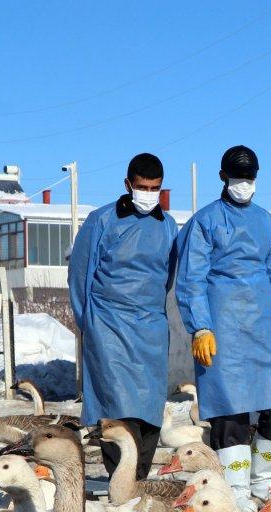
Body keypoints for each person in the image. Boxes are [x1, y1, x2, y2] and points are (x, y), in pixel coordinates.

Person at [175, 145, 271, 512]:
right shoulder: (204, 222)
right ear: (222, 177)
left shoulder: (265, 221)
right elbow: (191, 279)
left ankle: (263, 479)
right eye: (237, 178)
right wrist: (200, 327)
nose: (243, 185)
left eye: (249, 179)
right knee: (229, 409)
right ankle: (233, 487)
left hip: (267, 325)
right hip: (222, 324)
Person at [69, 152, 178, 479]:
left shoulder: (168, 226)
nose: (148, 194)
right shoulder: (101, 221)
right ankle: (120, 479)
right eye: (142, 186)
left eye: (155, 188)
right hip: (108, 327)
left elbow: (167, 278)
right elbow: (79, 275)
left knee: (148, 411)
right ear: (128, 184)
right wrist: (88, 324)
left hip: (150, 329)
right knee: (117, 408)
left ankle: (138, 480)